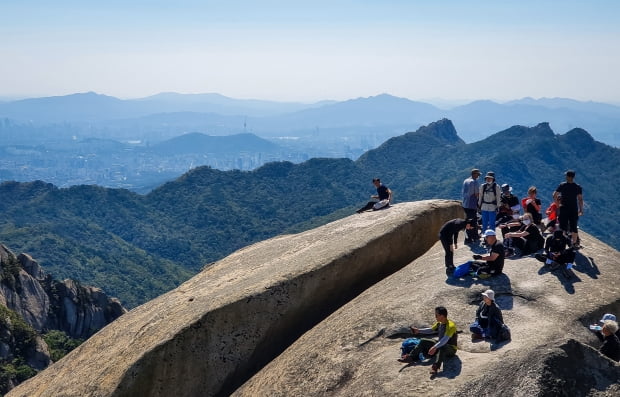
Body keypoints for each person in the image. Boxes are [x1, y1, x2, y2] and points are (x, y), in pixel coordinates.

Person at [399, 306, 458, 375]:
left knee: (442, 346)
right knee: (423, 340)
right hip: (440, 344)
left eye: (436, 315)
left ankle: (436, 366)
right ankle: (410, 357)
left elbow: (445, 340)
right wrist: (418, 331)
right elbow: (431, 330)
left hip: (451, 349)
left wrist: (434, 347)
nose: (435, 316)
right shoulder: (440, 323)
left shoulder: (451, 326)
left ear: (442, 316)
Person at [553, 170, 584, 248]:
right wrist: (581, 209)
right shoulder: (577, 186)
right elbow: (580, 199)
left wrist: (558, 205)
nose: (565, 177)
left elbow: (554, 195)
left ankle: (562, 242)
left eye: (566, 175)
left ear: (569, 177)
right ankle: (574, 244)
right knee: (574, 226)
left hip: (563, 208)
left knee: (563, 226)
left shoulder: (562, 185)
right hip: (573, 209)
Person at [462, 169, 481, 243]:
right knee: (473, 221)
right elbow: (477, 194)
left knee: (468, 220)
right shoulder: (475, 182)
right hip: (472, 204)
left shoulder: (466, 180)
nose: (479, 176)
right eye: (478, 174)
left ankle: (470, 237)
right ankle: (472, 237)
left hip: (465, 204)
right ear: (475, 174)